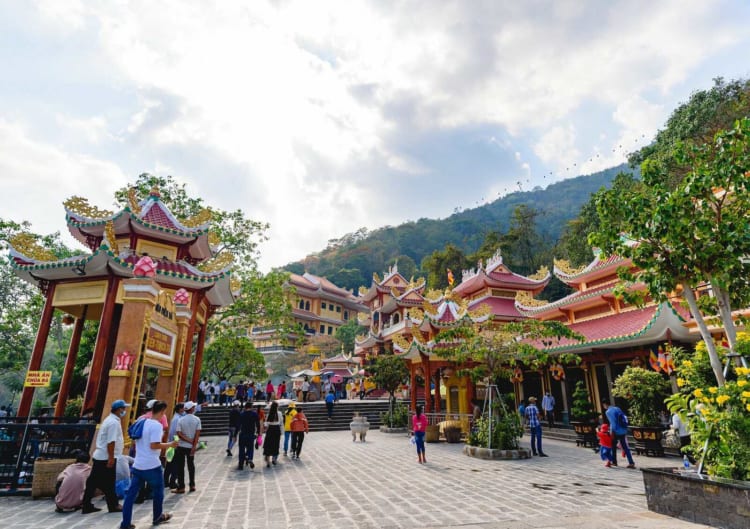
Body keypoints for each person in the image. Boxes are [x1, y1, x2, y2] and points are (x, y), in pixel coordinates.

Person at [120, 400, 178, 529]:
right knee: (158, 491)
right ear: (162, 411)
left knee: (130, 495)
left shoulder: (141, 422)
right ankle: (157, 516)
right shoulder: (156, 426)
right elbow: (154, 445)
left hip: (138, 464)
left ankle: (125, 523)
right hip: (152, 465)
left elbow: (135, 441)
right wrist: (170, 444)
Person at [82, 399, 128, 514]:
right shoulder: (113, 423)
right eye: (123, 408)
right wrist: (111, 458)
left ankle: (88, 505)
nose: (125, 411)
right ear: (118, 409)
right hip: (106, 457)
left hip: (101, 456)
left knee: (95, 482)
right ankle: (113, 505)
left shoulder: (110, 420)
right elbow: (111, 442)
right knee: (107, 482)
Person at [173, 401, 201, 494]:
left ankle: (181, 486)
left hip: (181, 445)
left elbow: (179, 433)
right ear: (191, 409)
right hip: (191, 446)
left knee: (180, 467)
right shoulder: (197, 419)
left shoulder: (180, 420)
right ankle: (192, 484)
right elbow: (197, 434)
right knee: (191, 466)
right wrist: (193, 444)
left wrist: (188, 440)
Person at [602, 399, 635, 469]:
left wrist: (611, 432)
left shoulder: (608, 412)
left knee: (613, 447)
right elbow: (624, 417)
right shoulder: (617, 408)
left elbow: (613, 423)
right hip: (623, 430)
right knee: (625, 447)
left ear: (605, 404)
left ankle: (614, 461)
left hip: (616, 431)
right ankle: (631, 462)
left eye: (603, 405)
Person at [163, 402, 185, 490]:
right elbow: (174, 432)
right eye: (183, 408)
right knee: (175, 464)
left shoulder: (178, 417)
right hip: (174, 444)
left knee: (170, 463)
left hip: (173, 443)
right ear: (180, 409)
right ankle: (172, 481)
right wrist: (176, 443)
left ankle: (166, 481)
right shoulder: (177, 419)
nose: (184, 410)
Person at [237, 402, 260, 470]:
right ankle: (249, 458)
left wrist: (235, 435)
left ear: (245, 407)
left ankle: (241, 464)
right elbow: (258, 425)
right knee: (250, 448)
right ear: (251, 407)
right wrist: (258, 433)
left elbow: (238, 425)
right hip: (251, 434)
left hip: (243, 434)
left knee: (241, 449)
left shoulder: (242, 414)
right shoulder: (254, 414)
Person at [263, 401, 283, 467]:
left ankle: (268, 460)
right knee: (276, 444)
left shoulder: (269, 413)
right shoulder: (279, 413)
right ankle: (274, 459)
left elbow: (266, 423)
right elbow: (281, 423)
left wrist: (265, 429)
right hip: (276, 429)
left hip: (270, 430)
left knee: (268, 444)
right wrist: (282, 431)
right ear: (277, 407)